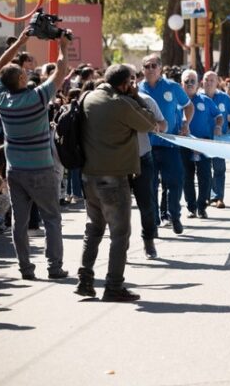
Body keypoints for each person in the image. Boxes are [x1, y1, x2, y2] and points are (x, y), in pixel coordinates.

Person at [75, 64, 158, 301]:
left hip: (89, 176)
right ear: (124, 84)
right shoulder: (121, 103)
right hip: (113, 177)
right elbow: (149, 123)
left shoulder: (87, 97)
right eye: (130, 83)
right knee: (120, 234)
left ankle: (85, 280)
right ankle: (113, 286)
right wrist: (136, 97)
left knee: (93, 229)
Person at [0, 28, 69, 281]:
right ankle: (54, 267)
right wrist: (63, 46)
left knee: (20, 221)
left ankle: (25, 268)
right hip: (41, 169)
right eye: (24, 72)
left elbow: (1, 67)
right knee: (51, 218)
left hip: (15, 170)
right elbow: (61, 70)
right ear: (21, 79)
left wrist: (20, 42)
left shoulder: (2, 99)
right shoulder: (37, 98)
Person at [139, 54, 193, 234]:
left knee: (175, 182)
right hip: (147, 147)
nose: (150, 69)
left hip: (170, 145)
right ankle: (153, 222)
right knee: (150, 186)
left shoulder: (173, 87)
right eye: (147, 66)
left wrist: (186, 123)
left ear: (160, 68)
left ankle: (174, 215)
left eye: (154, 65)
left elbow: (188, 106)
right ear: (142, 70)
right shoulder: (137, 89)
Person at [128, 69, 166, 259]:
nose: (130, 84)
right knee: (120, 207)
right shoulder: (111, 102)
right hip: (118, 162)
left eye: (132, 79)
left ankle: (149, 241)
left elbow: (162, 124)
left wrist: (154, 126)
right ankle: (121, 245)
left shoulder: (146, 100)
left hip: (143, 158)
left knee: (147, 204)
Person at [181, 69, 222, 219]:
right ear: (182, 83)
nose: (190, 84)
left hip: (203, 144)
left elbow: (219, 116)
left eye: (193, 81)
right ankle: (191, 207)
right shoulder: (177, 101)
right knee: (187, 177)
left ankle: (202, 207)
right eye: (187, 81)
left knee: (205, 177)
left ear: (198, 84)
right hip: (184, 144)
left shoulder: (206, 100)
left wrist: (218, 126)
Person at [202, 71, 230, 209]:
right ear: (202, 82)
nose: (209, 83)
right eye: (206, 80)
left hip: (219, 139)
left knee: (219, 168)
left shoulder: (224, 98)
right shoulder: (197, 97)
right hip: (202, 139)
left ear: (217, 82)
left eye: (212, 80)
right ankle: (205, 197)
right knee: (204, 170)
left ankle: (218, 197)